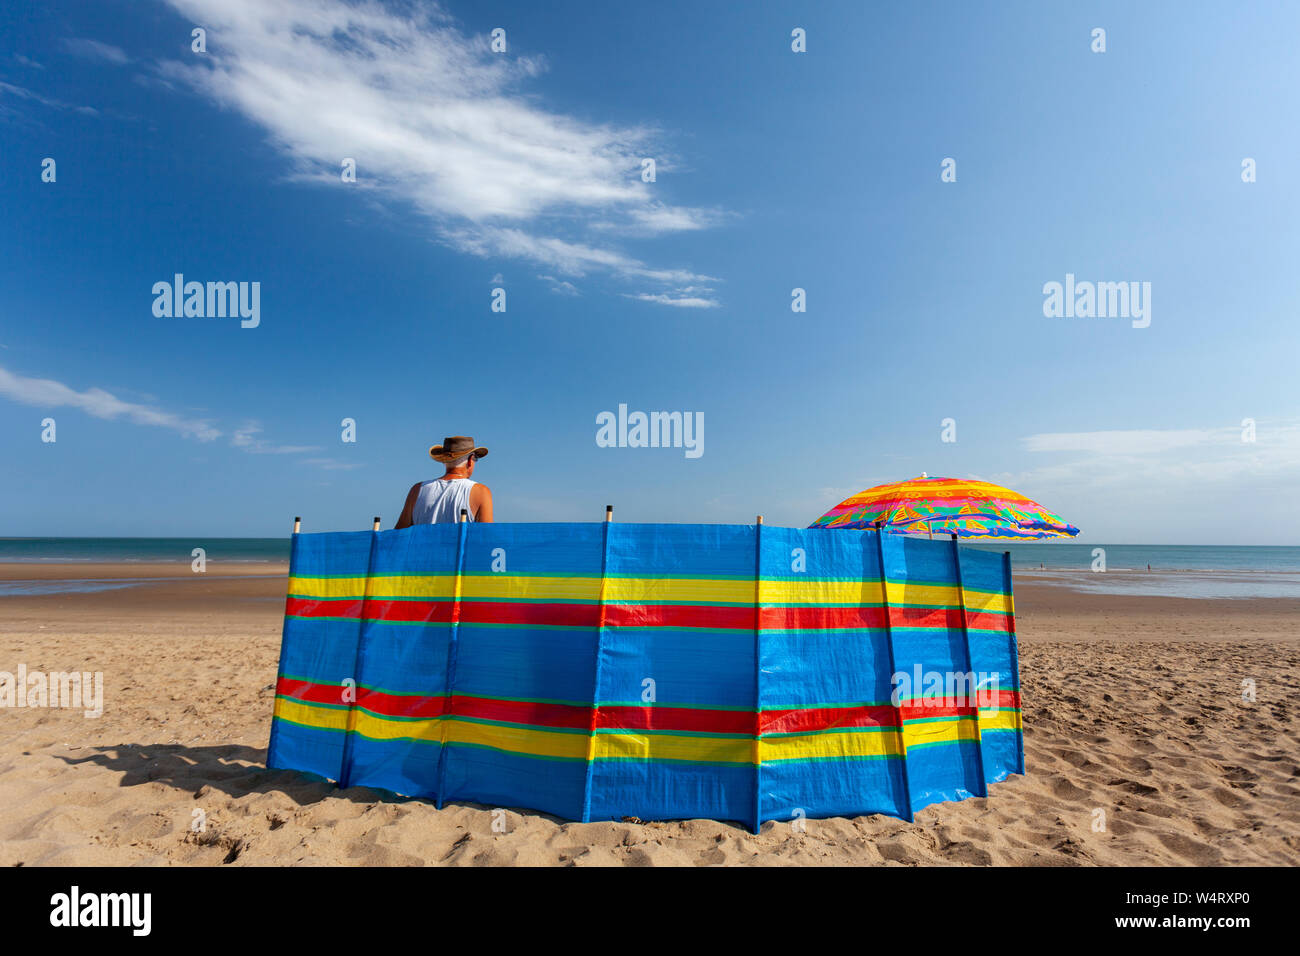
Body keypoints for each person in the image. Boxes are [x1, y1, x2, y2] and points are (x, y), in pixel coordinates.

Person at [394, 436, 494, 527]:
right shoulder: (481, 492)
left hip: (424, 547)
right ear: (470, 460)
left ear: (444, 460)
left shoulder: (417, 490)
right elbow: (486, 538)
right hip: (458, 548)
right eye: (475, 458)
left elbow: (398, 535)